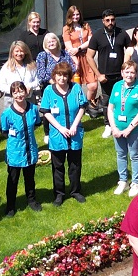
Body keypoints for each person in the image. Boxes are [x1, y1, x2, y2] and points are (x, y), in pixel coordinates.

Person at [41, 62, 87, 204]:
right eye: (59, 75)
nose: (62, 78)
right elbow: (46, 112)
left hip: (74, 133)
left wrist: (74, 125)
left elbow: (82, 107)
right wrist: (60, 128)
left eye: (65, 75)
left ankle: (75, 191)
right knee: (58, 166)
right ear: (54, 76)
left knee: (75, 165)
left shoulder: (76, 88)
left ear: (69, 76)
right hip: (57, 134)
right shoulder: (48, 90)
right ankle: (59, 194)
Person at [0, 81, 42, 215]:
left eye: (21, 91)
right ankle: (10, 206)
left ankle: (32, 200)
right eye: (15, 92)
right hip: (15, 151)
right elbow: (4, 131)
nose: (19, 95)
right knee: (13, 180)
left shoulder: (33, 109)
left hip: (30, 150)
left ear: (26, 92)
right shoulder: (6, 114)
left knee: (30, 178)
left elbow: (36, 124)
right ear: (12, 95)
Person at [108, 60, 138, 195]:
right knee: (120, 154)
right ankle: (123, 181)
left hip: (134, 129)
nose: (129, 75)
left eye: (132, 72)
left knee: (134, 155)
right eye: (127, 72)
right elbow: (110, 108)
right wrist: (113, 127)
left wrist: (129, 129)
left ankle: (135, 183)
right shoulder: (116, 86)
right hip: (117, 128)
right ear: (122, 73)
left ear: (136, 74)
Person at [89, 11, 132, 133]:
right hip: (105, 76)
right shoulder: (97, 35)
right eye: (107, 20)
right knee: (107, 101)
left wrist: (126, 69)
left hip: (121, 75)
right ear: (103, 21)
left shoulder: (122, 33)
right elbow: (89, 56)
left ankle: (121, 122)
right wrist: (98, 75)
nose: (110, 22)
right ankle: (108, 125)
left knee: (122, 99)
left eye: (112, 20)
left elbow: (130, 50)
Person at [62, 6, 98, 107]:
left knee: (93, 85)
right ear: (69, 16)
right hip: (74, 59)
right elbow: (69, 48)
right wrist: (76, 61)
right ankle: (77, 106)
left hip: (87, 57)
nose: (76, 16)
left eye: (77, 14)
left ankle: (89, 104)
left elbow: (91, 40)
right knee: (76, 85)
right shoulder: (66, 29)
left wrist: (78, 48)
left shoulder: (85, 26)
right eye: (73, 15)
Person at [0, 39, 41, 108]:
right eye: (17, 51)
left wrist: (29, 86)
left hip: (28, 98)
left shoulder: (31, 65)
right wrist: (15, 91)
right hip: (11, 100)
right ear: (12, 53)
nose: (19, 54)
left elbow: (37, 80)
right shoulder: (6, 67)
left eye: (22, 51)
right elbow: (1, 85)